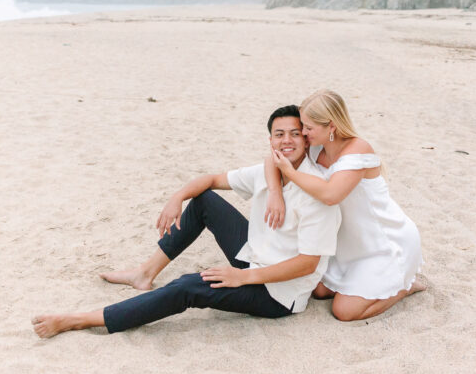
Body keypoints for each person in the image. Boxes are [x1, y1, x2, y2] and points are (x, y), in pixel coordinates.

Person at [32, 105, 340, 338]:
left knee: (189, 287)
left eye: (295, 133)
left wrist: (242, 278)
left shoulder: (318, 192)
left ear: (307, 138)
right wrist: (177, 197)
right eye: (279, 134)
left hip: (278, 294)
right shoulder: (267, 171)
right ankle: (145, 273)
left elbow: (308, 264)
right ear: (270, 140)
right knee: (204, 199)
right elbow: (212, 179)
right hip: (254, 259)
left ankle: (81, 319)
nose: (287, 141)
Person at [269, 90, 424, 322]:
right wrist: (275, 194)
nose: (303, 133)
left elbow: (331, 195)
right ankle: (372, 283)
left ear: (331, 126)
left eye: (308, 127)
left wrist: (290, 172)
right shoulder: (315, 146)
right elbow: (274, 156)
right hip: (348, 245)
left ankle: (405, 286)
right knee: (319, 291)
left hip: (382, 243)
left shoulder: (358, 150)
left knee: (345, 311)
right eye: (303, 125)